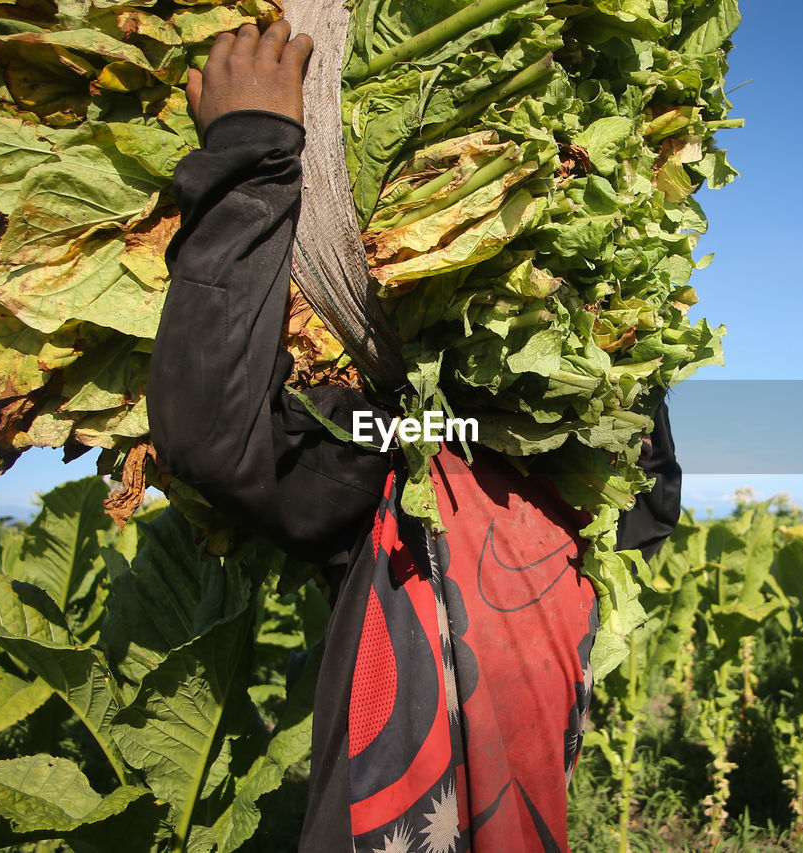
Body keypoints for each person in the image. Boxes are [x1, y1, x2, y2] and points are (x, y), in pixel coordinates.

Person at [146, 20, 682, 852]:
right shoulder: (562, 503)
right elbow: (654, 486)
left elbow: (213, 435)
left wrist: (250, 157)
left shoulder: (401, 465)